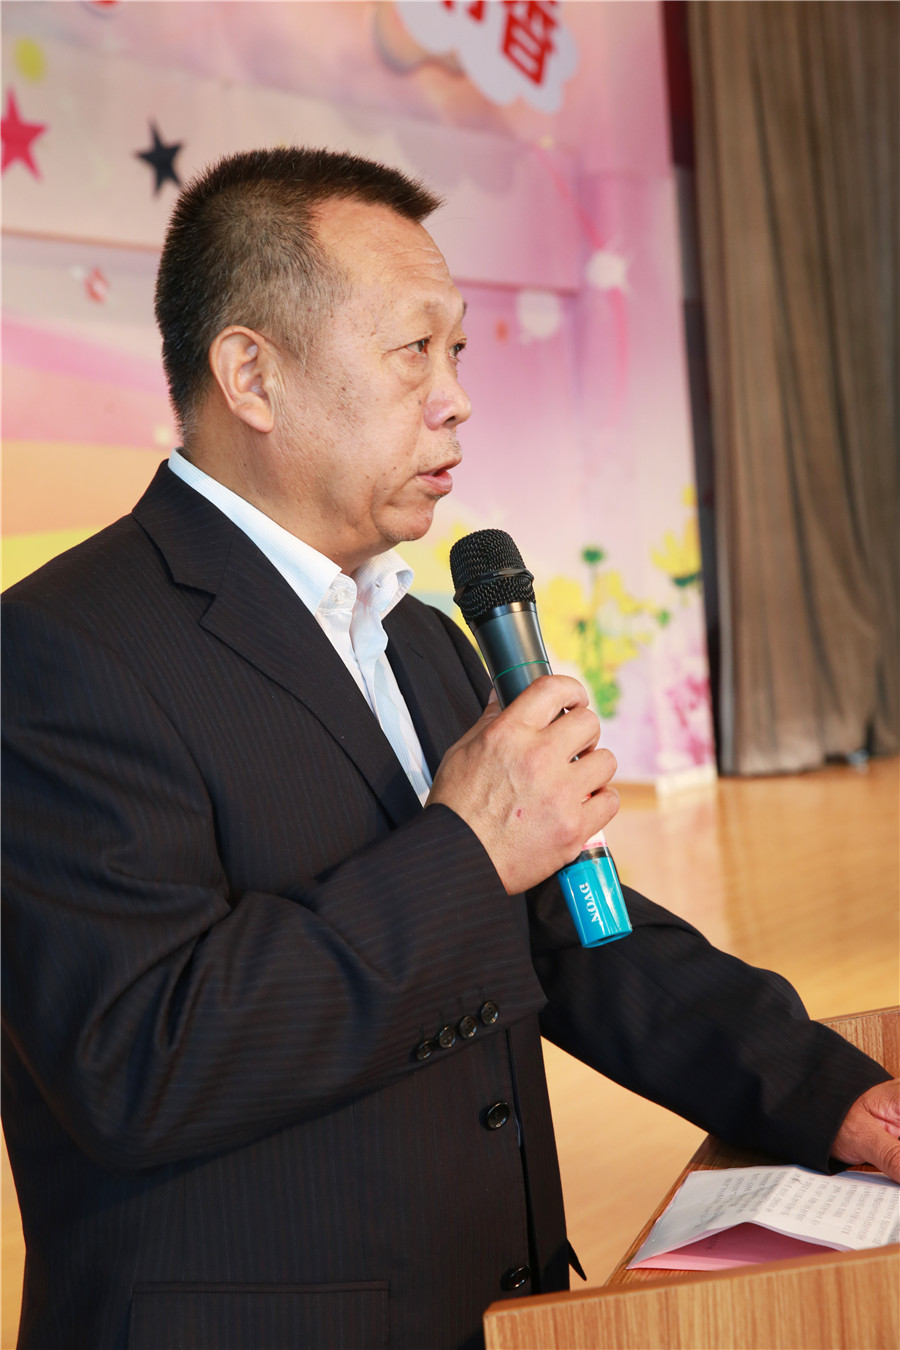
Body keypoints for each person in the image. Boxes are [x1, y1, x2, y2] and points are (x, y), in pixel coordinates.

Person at [2, 147, 897, 1350]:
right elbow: (138, 1060)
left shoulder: (420, 635)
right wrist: (467, 849)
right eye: (412, 350)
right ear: (252, 375)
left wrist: (832, 1097)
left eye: (459, 350)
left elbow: (568, 936)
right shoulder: (59, 649)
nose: (457, 396)